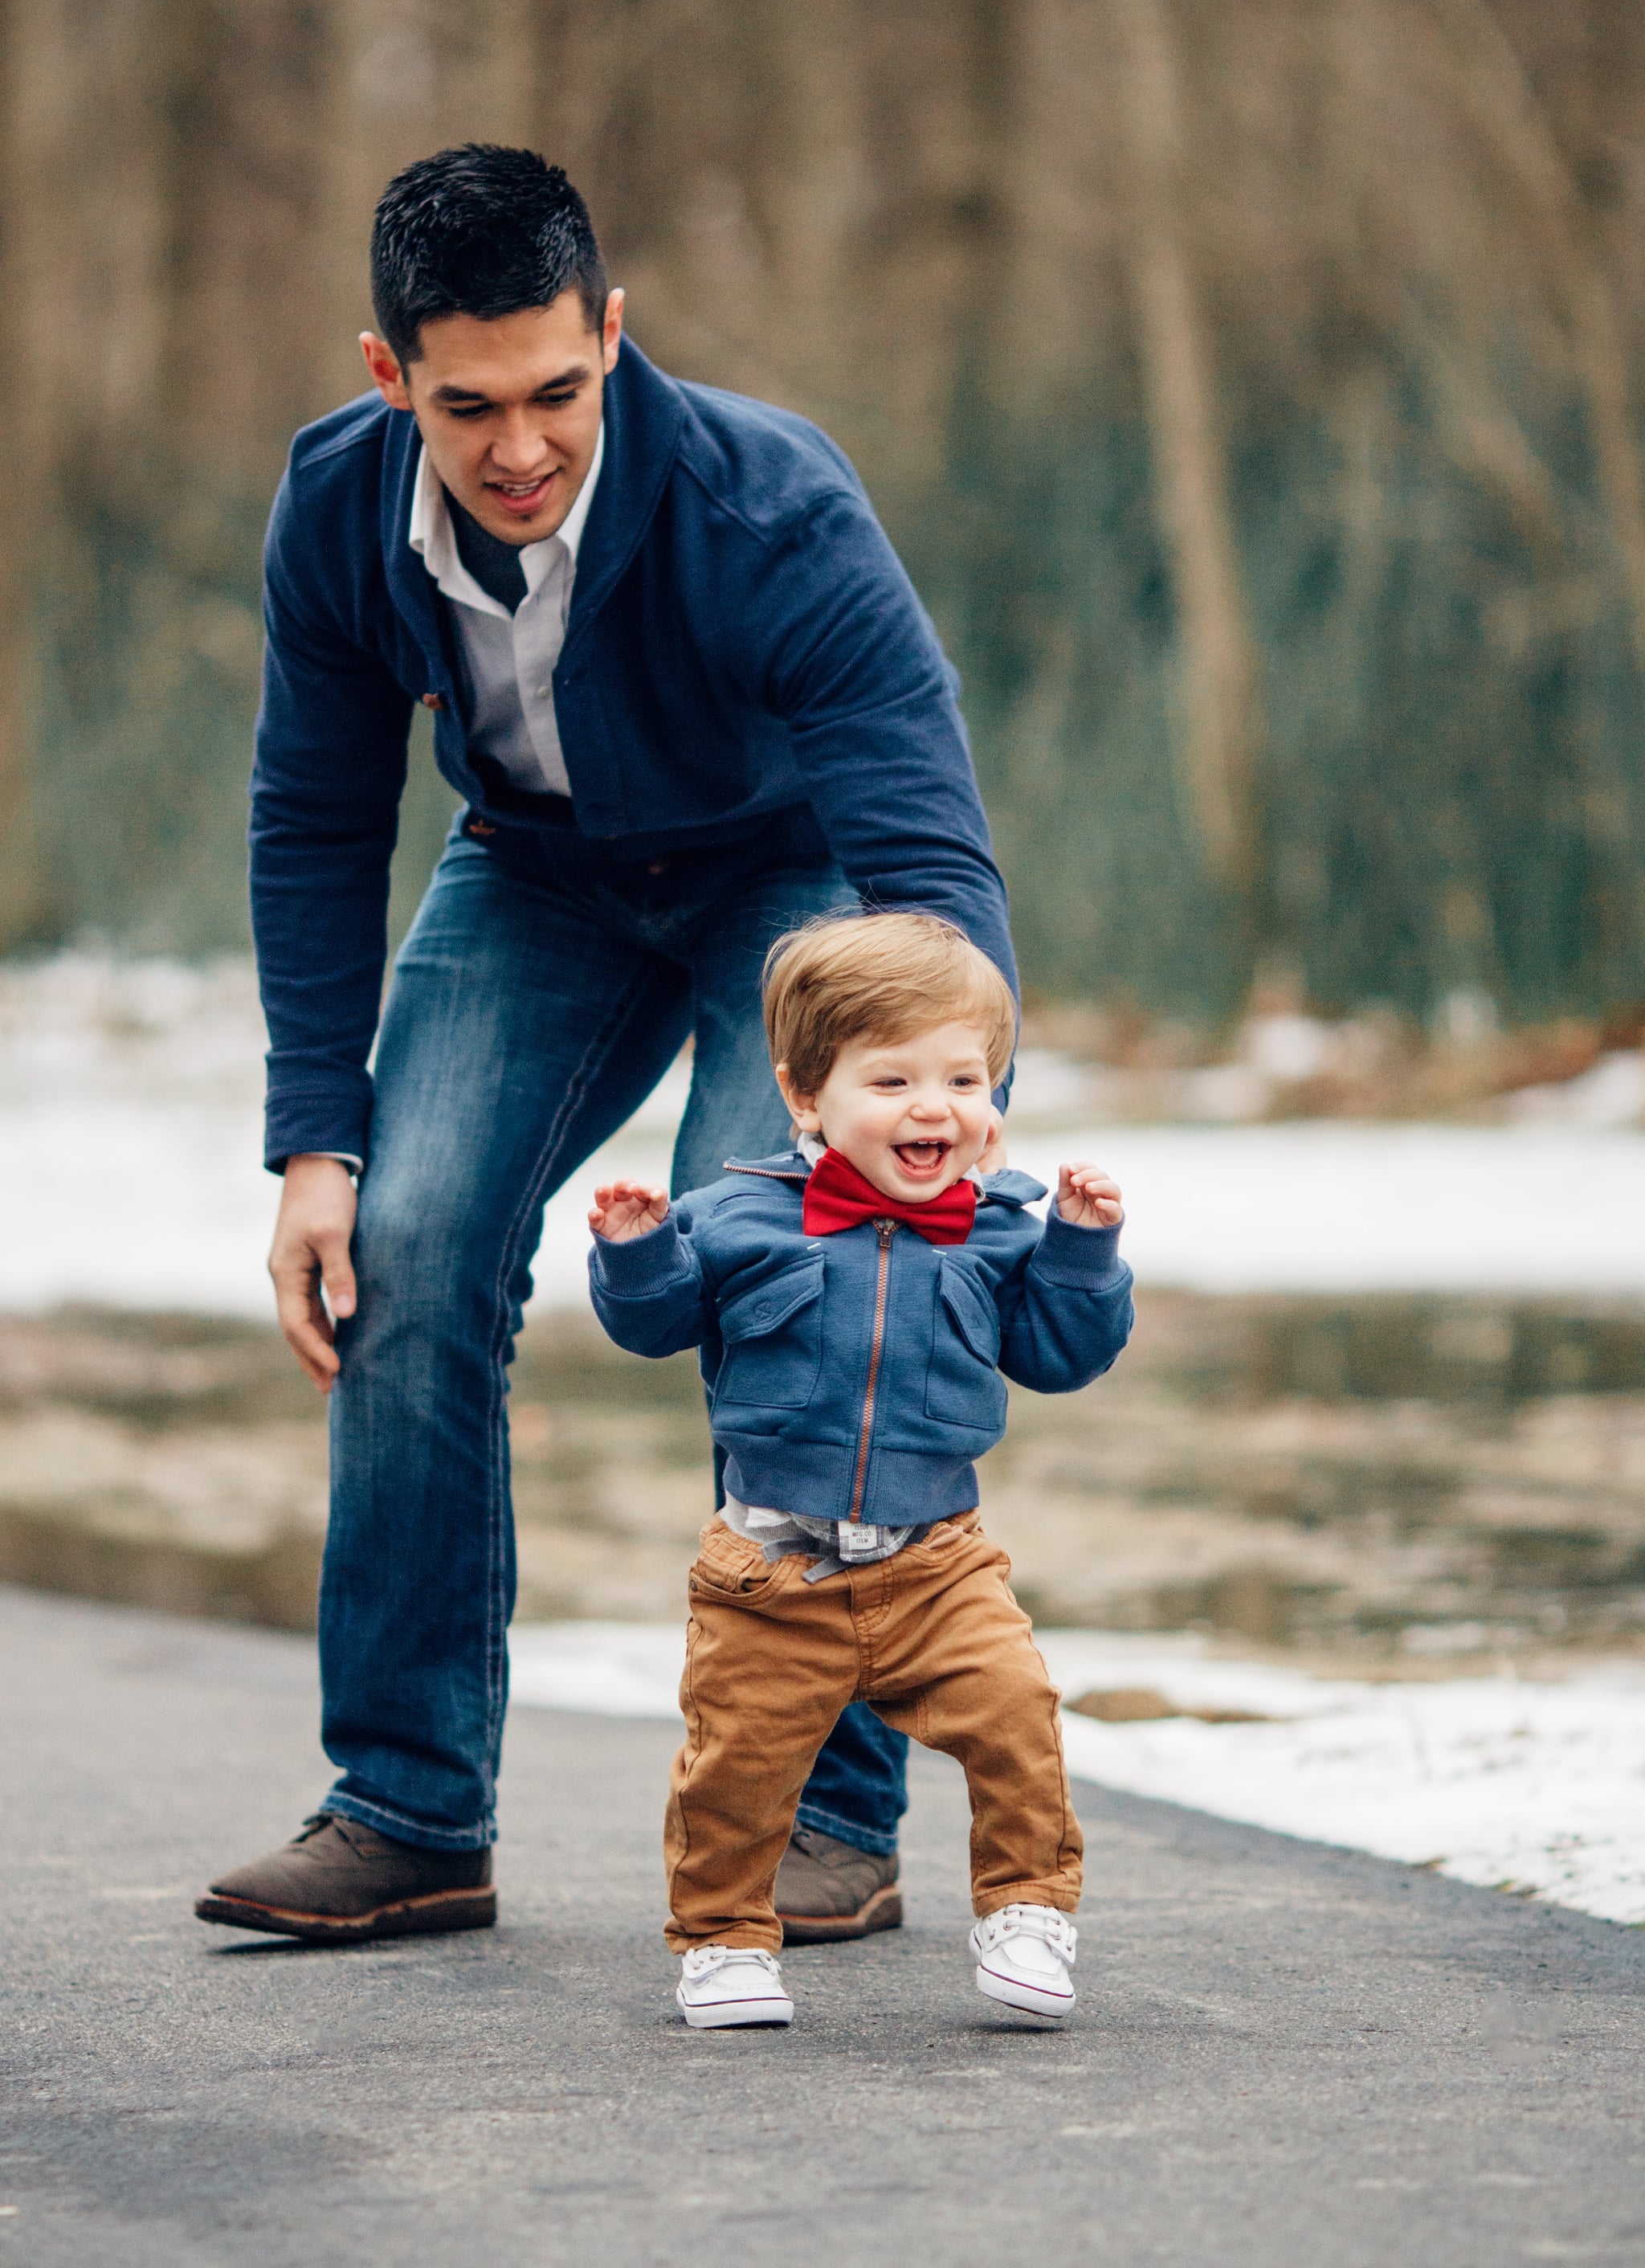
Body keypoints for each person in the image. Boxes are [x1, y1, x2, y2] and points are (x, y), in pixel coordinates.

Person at [194, 145, 1020, 1946]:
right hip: (539, 876)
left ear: (613, 336)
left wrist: (936, 1112)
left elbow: (925, 849)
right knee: (398, 1258)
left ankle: (830, 1815)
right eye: (465, 403)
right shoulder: (337, 507)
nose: (517, 449)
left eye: (559, 392)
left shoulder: (767, 506)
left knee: (792, 1252)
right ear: (385, 372)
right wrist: (312, 1142)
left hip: (786, 877)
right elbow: (314, 821)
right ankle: (410, 1809)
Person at [586, 912, 1133, 2027]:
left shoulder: (999, 1234)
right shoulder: (736, 1217)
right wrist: (639, 1252)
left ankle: (1027, 1912)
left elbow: (1062, 1358)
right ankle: (725, 1941)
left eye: (965, 1078)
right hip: (771, 1577)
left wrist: (1080, 1248)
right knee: (734, 1772)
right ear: (804, 1097)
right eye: (890, 1079)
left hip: (939, 1565)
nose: (933, 1106)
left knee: (1016, 1713)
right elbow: (655, 1326)